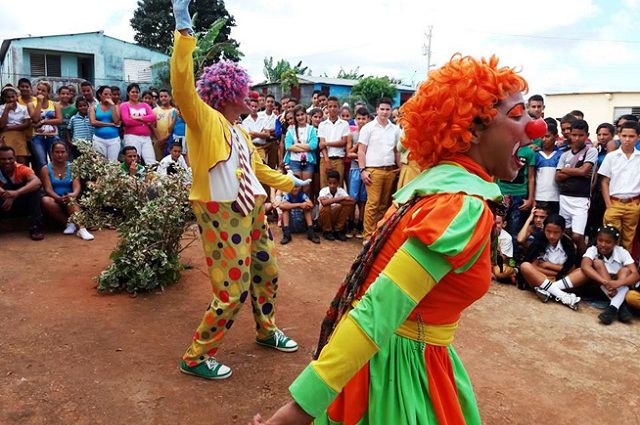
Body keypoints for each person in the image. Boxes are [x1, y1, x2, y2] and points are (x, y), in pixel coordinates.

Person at [251, 54, 546, 425]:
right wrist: (297, 411)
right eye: (517, 115)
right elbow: (379, 308)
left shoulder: (429, 187)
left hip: (404, 360)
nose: (535, 128)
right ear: (472, 130)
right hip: (399, 376)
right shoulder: (459, 208)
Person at [170, 0, 310, 380]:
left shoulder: (240, 132)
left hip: (253, 210)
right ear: (228, 92)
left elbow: (257, 168)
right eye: (244, 90)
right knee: (232, 290)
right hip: (221, 210)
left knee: (266, 270)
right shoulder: (204, 120)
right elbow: (182, 89)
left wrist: (290, 183)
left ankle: (266, 331)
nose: (249, 95)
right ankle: (196, 357)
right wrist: (184, 34)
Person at [358, 97, 401, 242]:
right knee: (373, 204)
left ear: (391, 110)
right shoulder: (368, 128)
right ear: (376, 110)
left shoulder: (395, 129)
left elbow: (396, 151)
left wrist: (400, 167)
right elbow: (361, 150)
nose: (384, 112)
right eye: (382, 109)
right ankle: (367, 236)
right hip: (373, 171)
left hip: (390, 170)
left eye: (387, 109)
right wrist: (362, 170)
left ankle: (378, 235)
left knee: (384, 205)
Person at [555, 119, 598, 256]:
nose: (577, 138)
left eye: (581, 135)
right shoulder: (564, 155)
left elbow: (584, 171)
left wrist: (565, 171)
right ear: (570, 135)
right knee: (566, 233)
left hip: (581, 199)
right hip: (564, 197)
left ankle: (584, 261)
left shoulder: (590, 151)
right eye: (574, 135)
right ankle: (571, 261)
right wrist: (577, 171)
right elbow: (557, 177)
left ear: (587, 135)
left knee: (577, 236)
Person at [519, 214, 579, 309]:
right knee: (525, 266)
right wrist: (556, 271)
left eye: (556, 232)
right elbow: (532, 266)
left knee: (581, 272)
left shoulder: (568, 244)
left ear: (563, 232)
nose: (551, 236)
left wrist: (548, 265)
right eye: (548, 231)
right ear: (543, 229)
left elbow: (570, 268)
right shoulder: (539, 241)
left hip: (560, 279)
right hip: (539, 277)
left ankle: (548, 290)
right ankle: (562, 295)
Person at [598, 120, 640, 252]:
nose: (627, 139)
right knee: (610, 238)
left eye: (631, 136)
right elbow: (604, 181)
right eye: (624, 136)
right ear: (619, 136)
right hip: (614, 203)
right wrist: (608, 204)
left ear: (638, 137)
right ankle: (610, 268)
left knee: (629, 239)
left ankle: (625, 269)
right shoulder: (611, 157)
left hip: (634, 204)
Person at [39, 141, 94, 240]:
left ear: (67, 153)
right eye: (57, 152)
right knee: (45, 200)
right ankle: (69, 223)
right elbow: (48, 188)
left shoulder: (73, 167)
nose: (60, 154)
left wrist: (72, 194)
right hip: (55, 198)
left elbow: (77, 186)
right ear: (51, 153)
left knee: (71, 199)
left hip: (70, 198)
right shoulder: (45, 169)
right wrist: (58, 197)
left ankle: (82, 229)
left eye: (63, 152)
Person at [0, 145, 43, 240]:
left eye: (10, 158)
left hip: (21, 203)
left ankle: (35, 227)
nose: (7, 161)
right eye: (3, 159)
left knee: (34, 191)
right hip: (4, 204)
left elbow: (37, 182)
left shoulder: (21, 168)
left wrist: (16, 193)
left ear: (15, 158)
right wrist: (5, 194)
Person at [346, 107, 369, 238]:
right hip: (355, 169)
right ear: (355, 119)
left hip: (367, 169)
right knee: (352, 198)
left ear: (368, 119)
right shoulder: (352, 135)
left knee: (363, 199)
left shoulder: (372, 133)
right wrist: (360, 149)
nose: (361, 121)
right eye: (359, 118)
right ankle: (350, 224)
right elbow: (349, 153)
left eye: (364, 119)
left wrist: (363, 156)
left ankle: (360, 224)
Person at [284, 105, 318, 196]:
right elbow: (288, 146)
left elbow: (313, 146)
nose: (300, 117)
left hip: (308, 162)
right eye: (298, 115)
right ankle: (296, 209)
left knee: (307, 188)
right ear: (295, 117)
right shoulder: (290, 130)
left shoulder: (311, 129)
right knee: (296, 187)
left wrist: (297, 145)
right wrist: (305, 147)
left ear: (306, 115)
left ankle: (306, 208)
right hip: (294, 161)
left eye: (302, 114)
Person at [29, 81, 63, 171]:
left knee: (55, 160)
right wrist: (39, 103)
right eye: (39, 89)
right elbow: (35, 119)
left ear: (48, 93)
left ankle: (55, 181)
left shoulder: (55, 104)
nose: (40, 92)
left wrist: (43, 122)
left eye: (43, 91)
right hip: (37, 137)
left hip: (53, 136)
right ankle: (44, 182)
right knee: (41, 162)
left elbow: (59, 120)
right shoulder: (31, 104)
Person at [120, 83, 157, 165]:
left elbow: (153, 117)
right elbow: (127, 121)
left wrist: (137, 118)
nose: (135, 94)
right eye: (133, 92)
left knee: (151, 161)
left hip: (146, 137)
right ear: (128, 93)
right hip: (131, 136)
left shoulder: (145, 105)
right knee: (133, 160)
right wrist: (145, 121)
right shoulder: (124, 105)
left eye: (137, 92)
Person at [318, 96, 349, 188]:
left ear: (339, 108)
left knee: (338, 187)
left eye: (335, 106)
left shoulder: (344, 124)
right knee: (324, 187)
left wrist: (327, 143)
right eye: (330, 106)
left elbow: (343, 142)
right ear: (327, 108)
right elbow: (321, 144)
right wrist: (327, 160)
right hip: (325, 159)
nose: (332, 109)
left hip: (339, 159)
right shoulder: (322, 125)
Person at [318, 170, 355, 241]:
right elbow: (324, 203)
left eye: (334, 183)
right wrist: (342, 199)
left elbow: (352, 202)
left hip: (336, 216)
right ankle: (327, 231)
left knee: (347, 206)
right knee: (326, 207)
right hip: (324, 218)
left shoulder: (341, 191)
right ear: (327, 183)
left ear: (338, 183)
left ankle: (338, 229)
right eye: (330, 183)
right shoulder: (323, 191)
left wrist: (331, 201)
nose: (332, 185)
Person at [534, 123, 561, 214]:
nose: (544, 140)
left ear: (556, 137)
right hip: (539, 196)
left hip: (556, 197)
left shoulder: (561, 155)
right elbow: (532, 177)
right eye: (542, 137)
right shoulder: (536, 155)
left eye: (547, 136)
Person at [0, 85, 31, 165]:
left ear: (17, 96)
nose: (11, 99)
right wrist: (6, 110)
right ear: (4, 98)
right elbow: (1, 125)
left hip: (20, 135)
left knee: (22, 160)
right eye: (8, 97)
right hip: (5, 136)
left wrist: (10, 128)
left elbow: (26, 124)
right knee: (7, 159)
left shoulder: (23, 108)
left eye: (12, 97)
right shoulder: (1, 108)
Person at [89, 86, 121, 161]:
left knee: (112, 163)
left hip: (114, 139)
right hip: (98, 139)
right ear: (100, 94)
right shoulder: (94, 107)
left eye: (110, 94)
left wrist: (113, 106)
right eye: (105, 94)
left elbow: (116, 121)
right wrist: (111, 124)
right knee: (100, 162)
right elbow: (93, 122)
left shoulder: (115, 107)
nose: (108, 97)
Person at [152, 89, 176, 160]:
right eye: (161, 96)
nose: (163, 98)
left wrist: (165, 139)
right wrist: (159, 140)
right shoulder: (155, 110)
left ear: (170, 97)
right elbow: (153, 126)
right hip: (158, 142)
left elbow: (174, 127)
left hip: (170, 142)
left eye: (165, 96)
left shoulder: (174, 111)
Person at [494, 213, 516, 283]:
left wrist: (498, 251)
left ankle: (514, 271)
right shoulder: (485, 232)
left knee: (500, 272)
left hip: (503, 261)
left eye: (498, 223)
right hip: (488, 261)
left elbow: (505, 259)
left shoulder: (507, 237)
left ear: (504, 224)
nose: (494, 226)